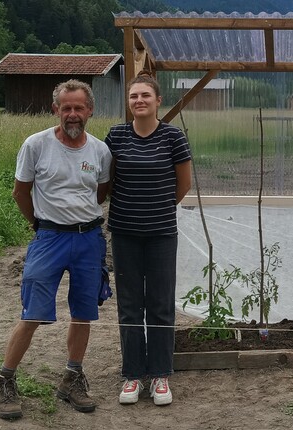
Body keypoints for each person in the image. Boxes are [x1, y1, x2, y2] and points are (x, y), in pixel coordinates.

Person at [0, 79, 112, 420]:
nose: (72, 114)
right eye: (66, 107)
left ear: (90, 111)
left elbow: (100, 193)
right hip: (49, 239)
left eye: (79, 108)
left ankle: (72, 378)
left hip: (88, 240)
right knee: (33, 312)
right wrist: (40, 225)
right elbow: (20, 192)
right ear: (55, 109)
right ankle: (4, 380)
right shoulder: (36, 145)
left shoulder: (100, 151)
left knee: (84, 312)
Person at [106, 74, 193, 406]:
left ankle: (159, 375)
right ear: (128, 103)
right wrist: (132, 206)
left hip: (160, 234)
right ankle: (132, 376)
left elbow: (182, 185)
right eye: (133, 96)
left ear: (158, 101)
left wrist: (154, 206)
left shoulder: (172, 137)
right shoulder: (116, 135)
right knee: (129, 304)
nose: (138, 100)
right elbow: (108, 179)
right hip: (125, 233)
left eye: (145, 95)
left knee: (159, 304)